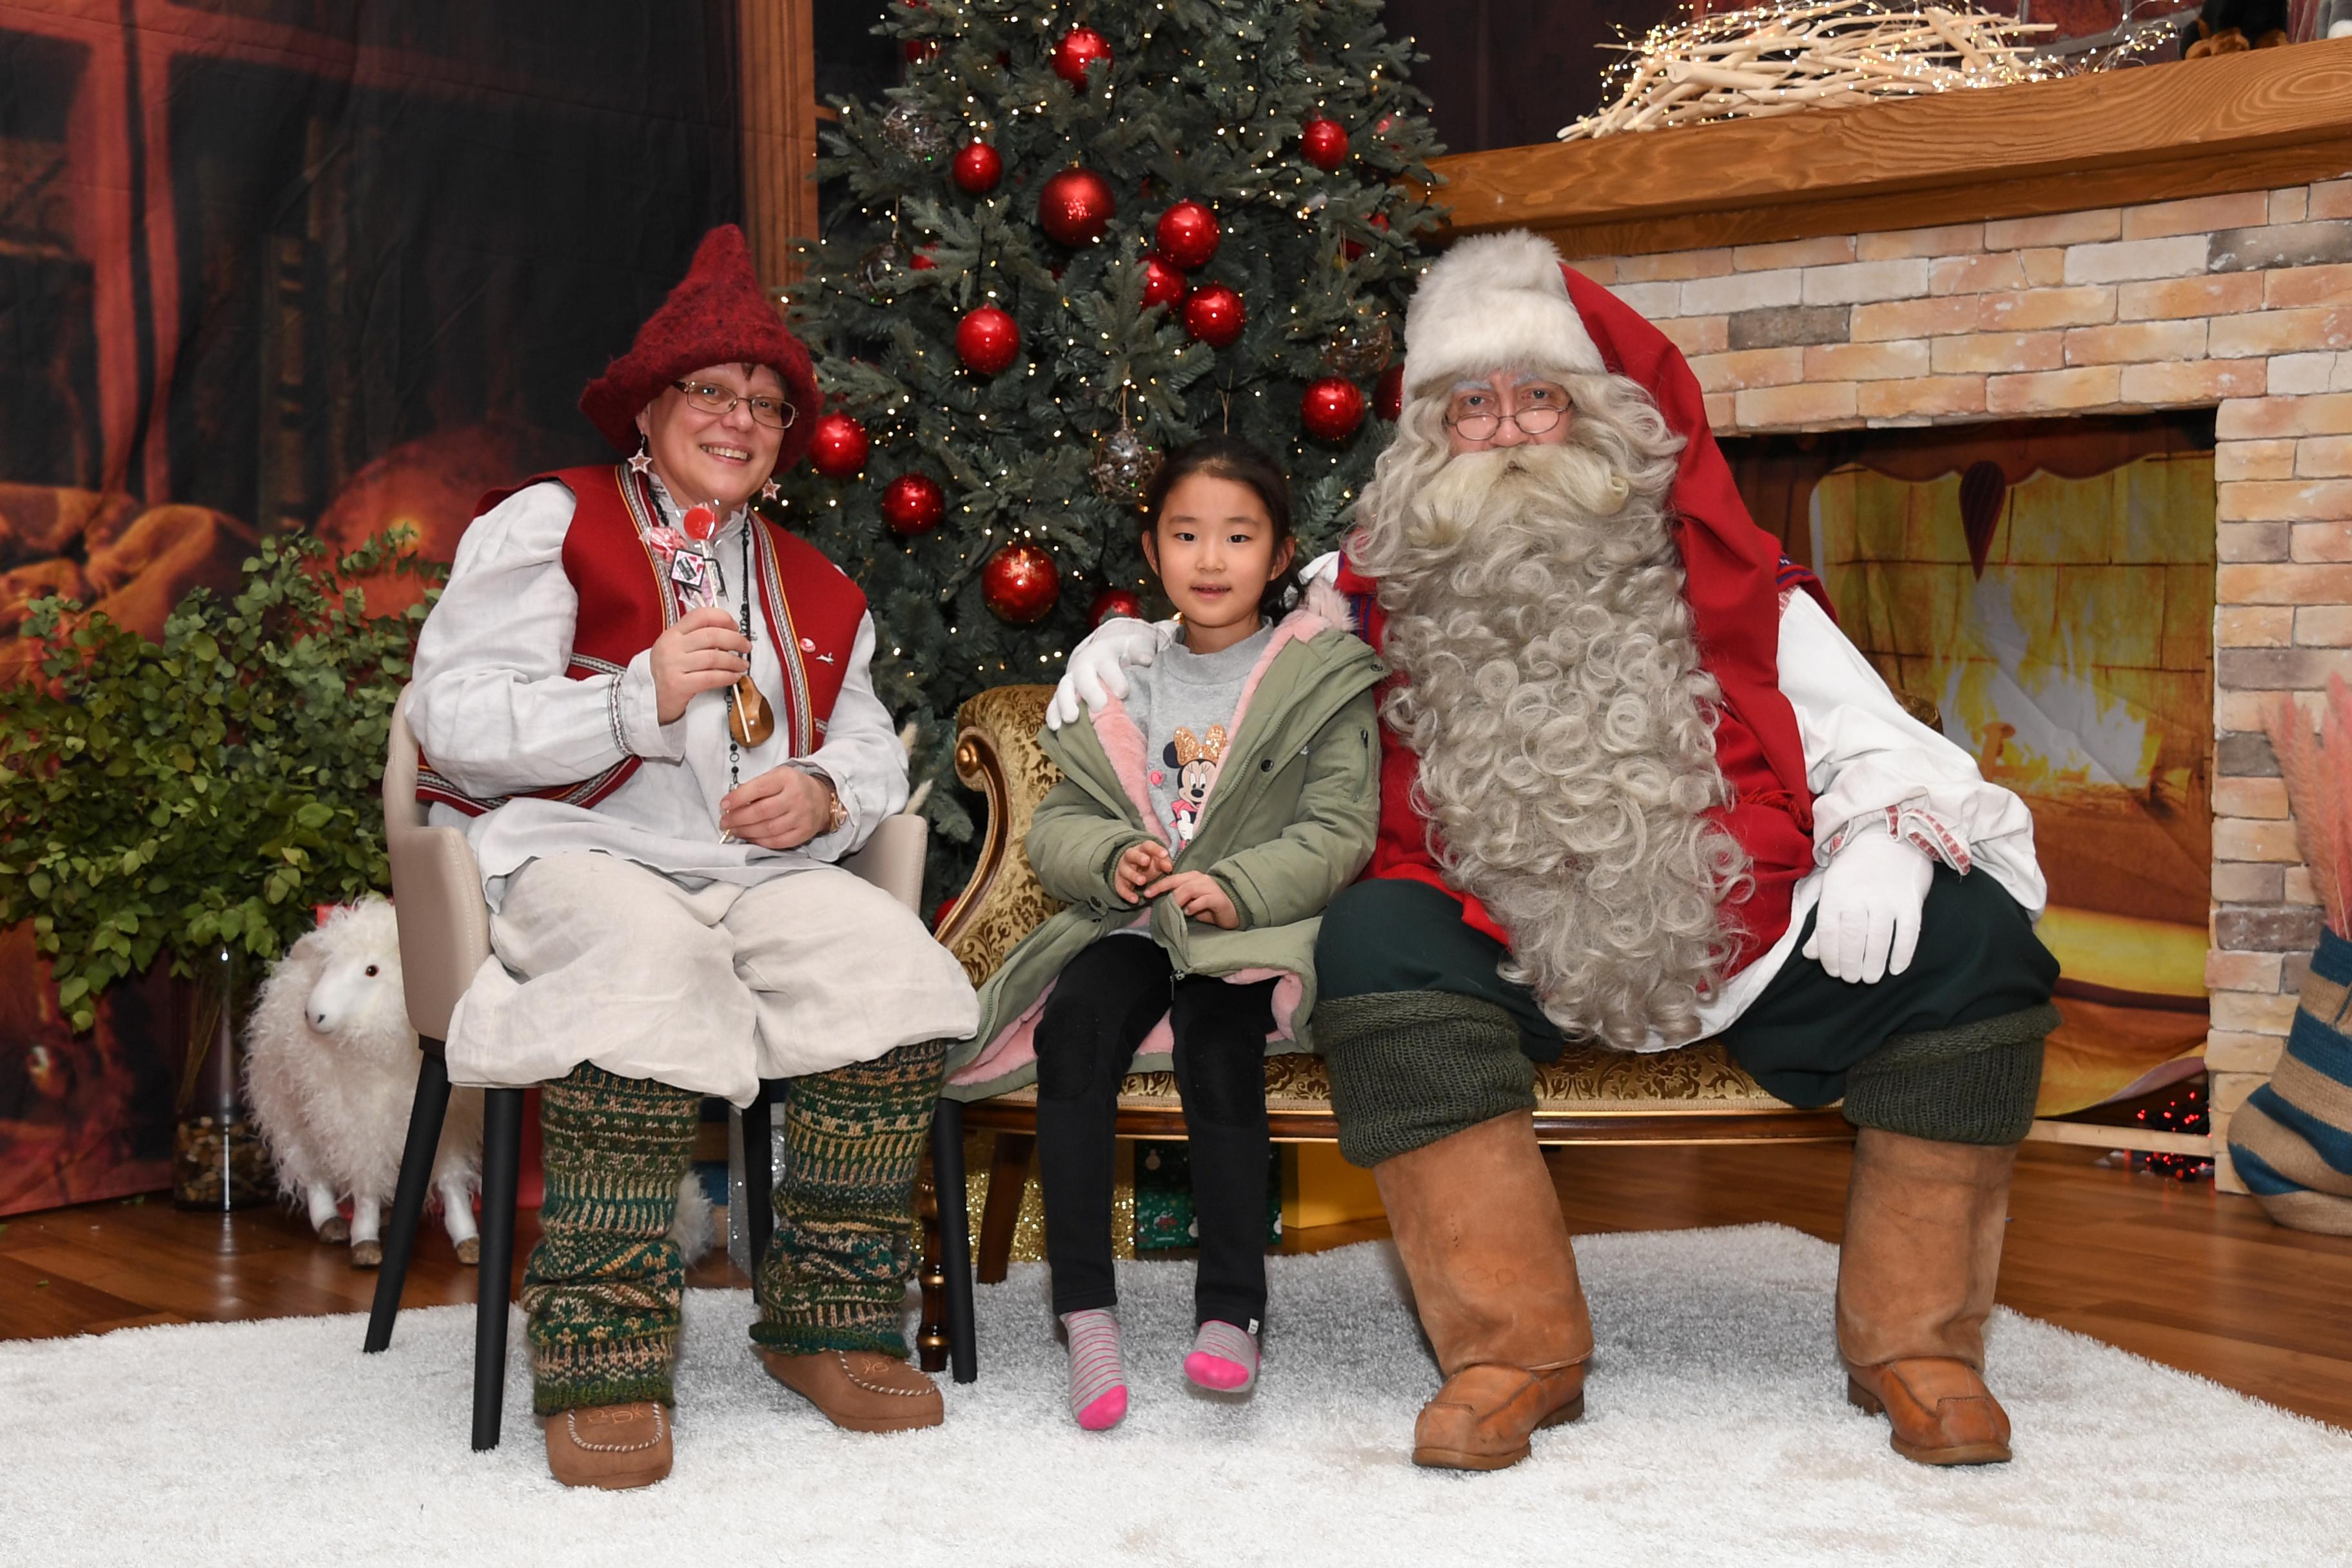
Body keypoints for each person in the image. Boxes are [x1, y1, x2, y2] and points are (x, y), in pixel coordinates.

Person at [1051, 232, 2056, 1473]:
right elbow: (1223, 628)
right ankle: (1511, 1351)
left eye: (1543, 396)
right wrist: (1124, 653)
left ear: (1606, 419)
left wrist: (1888, 847)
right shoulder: (1359, 596)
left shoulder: (1732, 584)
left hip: (1740, 931)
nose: (1514, 428)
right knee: (1375, 941)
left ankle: (1921, 1345)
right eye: (1475, 406)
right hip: (1497, 946)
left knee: (1977, 944)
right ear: (1432, 436)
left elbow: (1880, 743)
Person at [407, 225, 979, 1489]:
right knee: (645, 963)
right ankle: (603, 1346)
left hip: (757, 879)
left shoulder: (818, 583)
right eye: (713, 392)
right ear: (653, 409)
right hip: (573, 854)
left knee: (893, 968)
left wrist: (821, 789)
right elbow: (451, 716)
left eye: (767, 404)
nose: (742, 418)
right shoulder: (548, 522)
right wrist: (631, 699)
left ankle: (826, 1320)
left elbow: (877, 748)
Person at [946, 438, 1383, 1429]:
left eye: (1239, 537)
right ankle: (1086, 1314)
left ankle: (1233, 1310)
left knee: (1220, 1053)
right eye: (1187, 535)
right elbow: (1057, 827)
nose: (1211, 559)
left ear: (1278, 558)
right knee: (1075, 1034)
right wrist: (1112, 858)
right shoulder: (1125, 683)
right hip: (1132, 923)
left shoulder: (1318, 676)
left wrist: (1237, 886)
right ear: (1154, 548)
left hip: (1247, 931)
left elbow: (1340, 828)